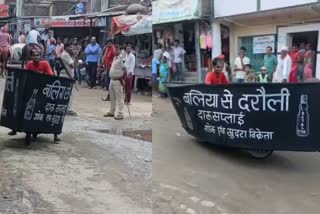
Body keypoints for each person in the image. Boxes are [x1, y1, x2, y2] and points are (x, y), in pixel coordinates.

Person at [8, 49, 60, 142]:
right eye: (34, 55)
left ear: (40, 56)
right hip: (30, 90)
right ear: (31, 57)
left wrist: (42, 75)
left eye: (38, 55)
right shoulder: (29, 64)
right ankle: (14, 128)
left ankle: (55, 134)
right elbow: (24, 75)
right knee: (19, 105)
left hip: (43, 90)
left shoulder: (45, 64)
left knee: (52, 109)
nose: (36, 57)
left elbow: (51, 74)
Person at [104, 45, 127, 120]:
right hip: (112, 79)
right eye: (115, 50)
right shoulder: (114, 58)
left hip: (118, 80)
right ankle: (112, 111)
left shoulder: (121, 59)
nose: (115, 51)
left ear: (120, 51)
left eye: (117, 50)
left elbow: (125, 70)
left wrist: (123, 79)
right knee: (112, 97)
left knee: (119, 97)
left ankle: (120, 113)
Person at [60, 42, 77, 116]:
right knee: (69, 93)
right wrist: (75, 56)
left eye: (72, 47)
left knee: (67, 92)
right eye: (70, 47)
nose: (72, 49)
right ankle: (68, 109)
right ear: (66, 48)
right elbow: (72, 65)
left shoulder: (68, 55)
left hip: (68, 76)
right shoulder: (65, 55)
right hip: (66, 76)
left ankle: (65, 108)